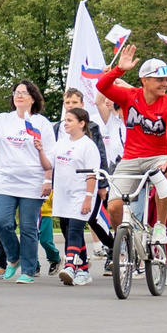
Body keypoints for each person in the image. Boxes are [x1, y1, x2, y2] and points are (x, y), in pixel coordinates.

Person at [95, 45, 167, 262]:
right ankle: (126, 239)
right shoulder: (129, 97)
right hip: (131, 158)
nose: (165, 84)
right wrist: (119, 70)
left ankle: (159, 226)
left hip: (159, 157)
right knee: (114, 206)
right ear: (144, 80)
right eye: (159, 80)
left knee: (164, 174)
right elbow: (102, 86)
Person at [0, 79, 55, 283]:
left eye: (24, 92)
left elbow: (50, 157)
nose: (19, 95)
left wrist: (47, 180)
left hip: (33, 181)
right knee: (2, 222)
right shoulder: (3, 119)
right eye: (16, 92)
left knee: (28, 227)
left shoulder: (42, 123)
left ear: (33, 98)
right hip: (6, 180)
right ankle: (14, 257)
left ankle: (29, 270)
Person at [52, 108, 102, 283]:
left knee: (75, 229)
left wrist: (88, 197)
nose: (65, 123)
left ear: (82, 124)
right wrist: (39, 149)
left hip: (81, 195)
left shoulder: (88, 146)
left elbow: (92, 175)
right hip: (63, 194)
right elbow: (48, 163)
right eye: (65, 120)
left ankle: (70, 265)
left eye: (70, 120)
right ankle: (83, 269)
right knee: (69, 230)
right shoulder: (60, 143)